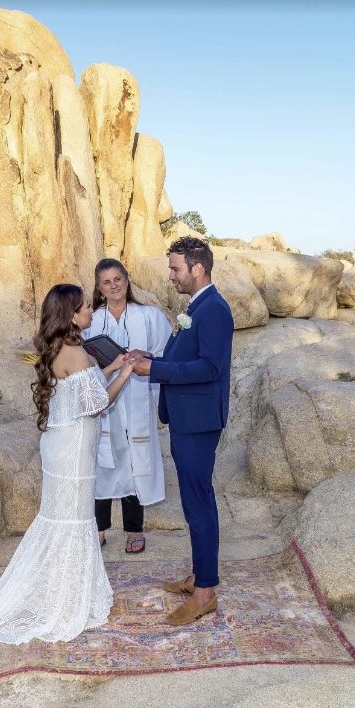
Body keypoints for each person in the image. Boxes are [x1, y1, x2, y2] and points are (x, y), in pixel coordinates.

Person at [0, 284, 136, 649]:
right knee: (73, 518)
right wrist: (125, 374)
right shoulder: (75, 351)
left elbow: (79, 392)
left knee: (62, 517)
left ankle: (63, 589)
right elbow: (97, 403)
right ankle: (66, 600)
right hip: (73, 449)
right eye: (86, 306)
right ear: (73, 315)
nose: (91, 310)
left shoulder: (62, 348)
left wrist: (112, 366)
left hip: (61, 443)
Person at [130, 237, 234, 626]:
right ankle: (198, 576)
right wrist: (151, 359)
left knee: (199, 503)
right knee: (194, 503)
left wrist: (154, 371)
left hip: (199, 421)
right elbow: (185, 358)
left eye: (175, 269)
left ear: (198, 269)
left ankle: (206, 592)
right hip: (188, 418)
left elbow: (210, 368)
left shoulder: (215, 311)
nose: (170, 276)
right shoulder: (198, 307)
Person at [83, 258, 172, 554]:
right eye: (106, 282)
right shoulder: (92, 319)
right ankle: (100, 528)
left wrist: (144, 353)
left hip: (136, 399)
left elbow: (167, 353)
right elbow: (83, 361)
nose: (114, 286)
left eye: (118, 279)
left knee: (134, 462)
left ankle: (134, 529)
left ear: (127, 279)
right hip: (106, 397)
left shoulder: (149, 316)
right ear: (99, 287)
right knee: (104, 462)